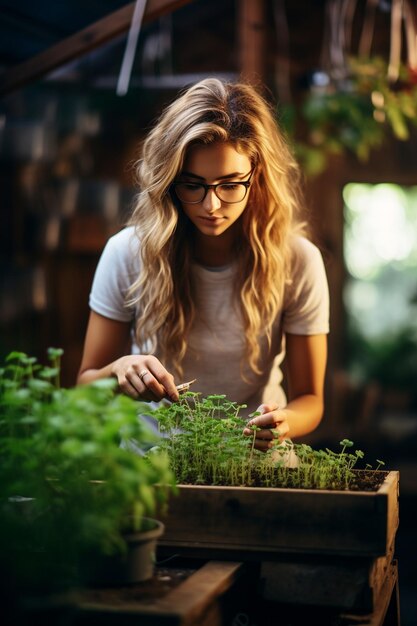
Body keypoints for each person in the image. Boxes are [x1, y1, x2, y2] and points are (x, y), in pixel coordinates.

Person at [77, 78, 329, 453]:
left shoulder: (297, 261)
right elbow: (84, 390)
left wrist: (283, 423)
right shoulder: (128, 253)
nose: (211, 206)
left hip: (253, 465)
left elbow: (310, 398)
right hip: (148, 468)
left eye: (229, 184)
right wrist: (117, 373)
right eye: (192, 184)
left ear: (255, 176)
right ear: (169, 181)